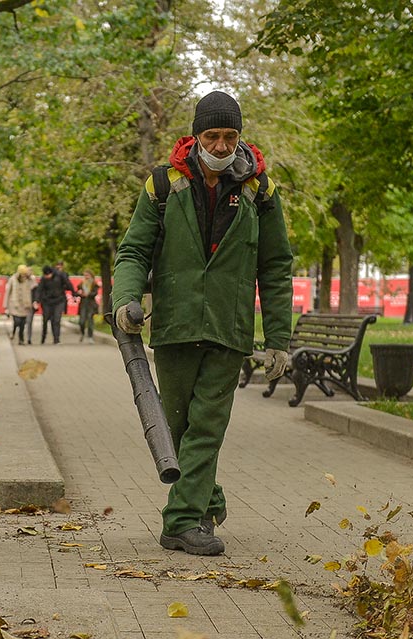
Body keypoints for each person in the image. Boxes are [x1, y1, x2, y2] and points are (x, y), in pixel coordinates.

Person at [111, 91, 294, 556]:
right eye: (211, 135)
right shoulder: (162, 184)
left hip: (228, 329)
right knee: (177, 428)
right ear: (196, 136)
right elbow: (133, 251)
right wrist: (125, 301)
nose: (219, 144)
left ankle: (180, 523)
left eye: (229, 136)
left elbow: (275, 268)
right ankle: (207, 499)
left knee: (207, 427)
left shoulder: (260, 190)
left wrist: (278, 340)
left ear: (240, 137)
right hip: (175, 325)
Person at [35, 265, 70, 344]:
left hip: (59, 300)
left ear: (51, 273)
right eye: (45, 275)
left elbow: (68, 284)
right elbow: (39, 290)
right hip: (47, 301)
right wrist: (36, 300)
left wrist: (73, 292)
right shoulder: (43, 279)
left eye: (48, 275)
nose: (47, 277)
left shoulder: (60, 276)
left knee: (56, 320)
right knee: (45, 319)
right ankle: (43, 336)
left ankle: (56, 339)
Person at [4, 264, 36, 342]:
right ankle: (14, 332)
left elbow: (34, 286)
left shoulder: (28, 280)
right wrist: (5, 305)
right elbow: (8, 292)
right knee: (17, 321)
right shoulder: (12, 279)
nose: (23, 275)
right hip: (15, 304)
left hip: (25, 305)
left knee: (23, 323)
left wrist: (30, 276)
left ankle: (21, 339)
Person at [76, 268, 99, 341]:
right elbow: (77, 292)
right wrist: (79, 293)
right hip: (83, 304)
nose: (86, 277)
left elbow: (95, 293)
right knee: (81, 321)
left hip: (91, 304)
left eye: (87, 275)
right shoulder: (81, 284)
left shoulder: (94, 284)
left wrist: (88, 294)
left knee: (90, 319)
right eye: (85, 275)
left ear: (91, 275)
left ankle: (90, 336)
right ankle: (82, 332)